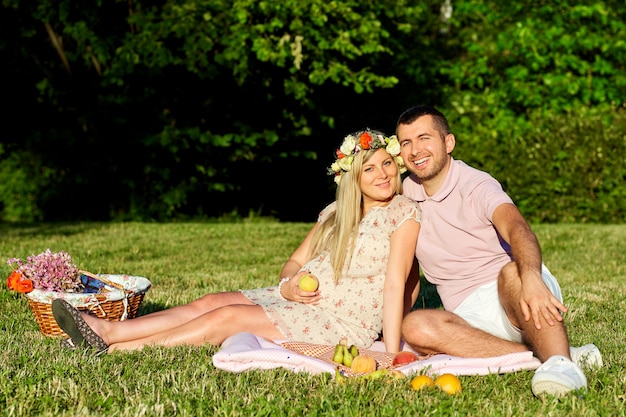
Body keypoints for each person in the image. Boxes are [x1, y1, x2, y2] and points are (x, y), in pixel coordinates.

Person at [52, 129, 421, 354]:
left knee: (226, 317)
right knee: (212, 301)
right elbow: (293, 263)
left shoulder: (402, 213)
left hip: (338, 320)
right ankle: (108, 330)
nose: (382, 174)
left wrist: (390, 353)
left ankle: (118, 347)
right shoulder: (335, 214)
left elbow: (395, 284)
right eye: (369, 168)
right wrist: (289, 286)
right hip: (297, 301)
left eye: (387, 163)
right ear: (352, 179)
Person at [395, 105, 602, 397]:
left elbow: (518, 229)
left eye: (424, 138)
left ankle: (564, 367)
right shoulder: (407, 193)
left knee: (510, 273)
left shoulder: (476, 184)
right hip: (468, 319)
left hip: (516, 296)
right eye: (406, 142)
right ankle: (546, 356)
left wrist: (530, 277)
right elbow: (404, 268)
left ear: (448, 142)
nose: (416, 150)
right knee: (415, 326)